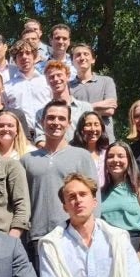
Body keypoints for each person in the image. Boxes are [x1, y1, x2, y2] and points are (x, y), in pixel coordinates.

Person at [22, 101, 100, 252]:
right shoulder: (27, 160)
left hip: (75, 235)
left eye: (61, 118)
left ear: (69, 123)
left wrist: (92, 232)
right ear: (41, 121)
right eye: (51, 118)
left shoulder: (81, 156)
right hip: (38, 237)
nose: (56, 122)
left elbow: (94, 197)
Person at [100, 142, 140, 252]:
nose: (115, 160)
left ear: (129, 160)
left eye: (120, 156)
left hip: (134, 244)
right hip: (107, 246)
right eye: (110, 156)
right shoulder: (101, 192)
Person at [68, 43, 118, 141]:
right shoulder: (68, 87)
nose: (82, 58)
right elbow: (69, 114)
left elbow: (109, 110)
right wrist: (100, 105)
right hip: (79, 140)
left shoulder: (106, 81)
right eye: (78, 55)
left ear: (93, 60)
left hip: (104, 140)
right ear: (72, 61)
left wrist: (79, 110)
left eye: (86, 54)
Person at [72, 111, 110, 186]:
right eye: (88, 125)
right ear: (81, 129)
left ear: (102, 128)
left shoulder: (107, 153)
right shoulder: (73, 154)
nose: (93, 129)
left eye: (96, 124)